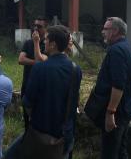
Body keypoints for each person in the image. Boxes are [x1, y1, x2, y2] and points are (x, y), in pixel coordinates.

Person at [5, 25, 82, 159]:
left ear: (52, 45)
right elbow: (74, 99)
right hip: (65, 133)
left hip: (41, 131)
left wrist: (35, 117)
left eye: (46, 39)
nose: (43, 42)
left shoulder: (40, 68)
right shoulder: (76, 69)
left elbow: (28, 104)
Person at [96, 17, 131, 159]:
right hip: (126, 107)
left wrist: (110, 112)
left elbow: (118, 85)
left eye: (106, 29)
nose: (103, 32)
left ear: (115, 31)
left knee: (110, 153)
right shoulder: (128, 47)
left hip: (117, 112)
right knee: (121, 150)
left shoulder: (116, 51)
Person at [18, 16, 48, 128]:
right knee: (26, 116)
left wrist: (37, 43)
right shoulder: (28, 42)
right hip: (27, 83)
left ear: (46, 28)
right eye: (34, 26)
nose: (35, 29)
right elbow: (21, 60)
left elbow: (42, 61)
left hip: (42, 86)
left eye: (39, 26)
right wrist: (37, 61)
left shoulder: (48, 44)